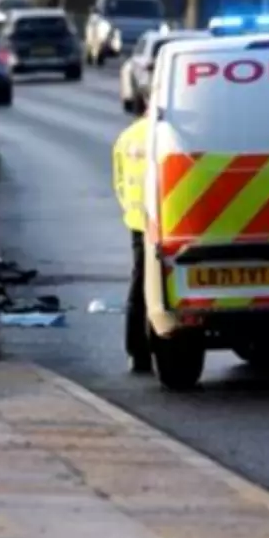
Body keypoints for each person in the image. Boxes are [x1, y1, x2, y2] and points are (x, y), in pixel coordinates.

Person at [112, 91, 152, 373]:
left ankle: (137, 351)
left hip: (138, 220)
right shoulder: (163, 136)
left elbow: (119, 182)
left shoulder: (127, 137)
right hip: (165, 221)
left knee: (139, 286)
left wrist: (131, 210)